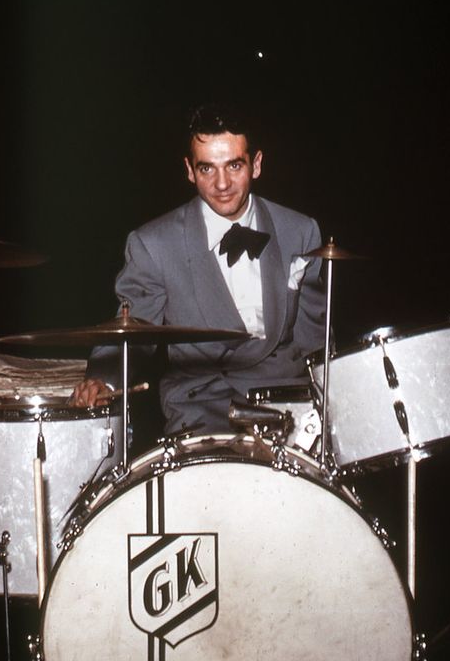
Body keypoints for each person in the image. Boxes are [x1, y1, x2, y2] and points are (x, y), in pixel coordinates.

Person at [71, 103, 326, 435]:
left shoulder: (300, 231)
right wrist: (103, 379)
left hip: (286, 403)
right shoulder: (154, 244)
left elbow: (316, 342)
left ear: (257, 164)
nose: (222, 183)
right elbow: (132, 330)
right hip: (201, 405)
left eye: (234, 166)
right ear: (190, 170)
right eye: (207, 169)